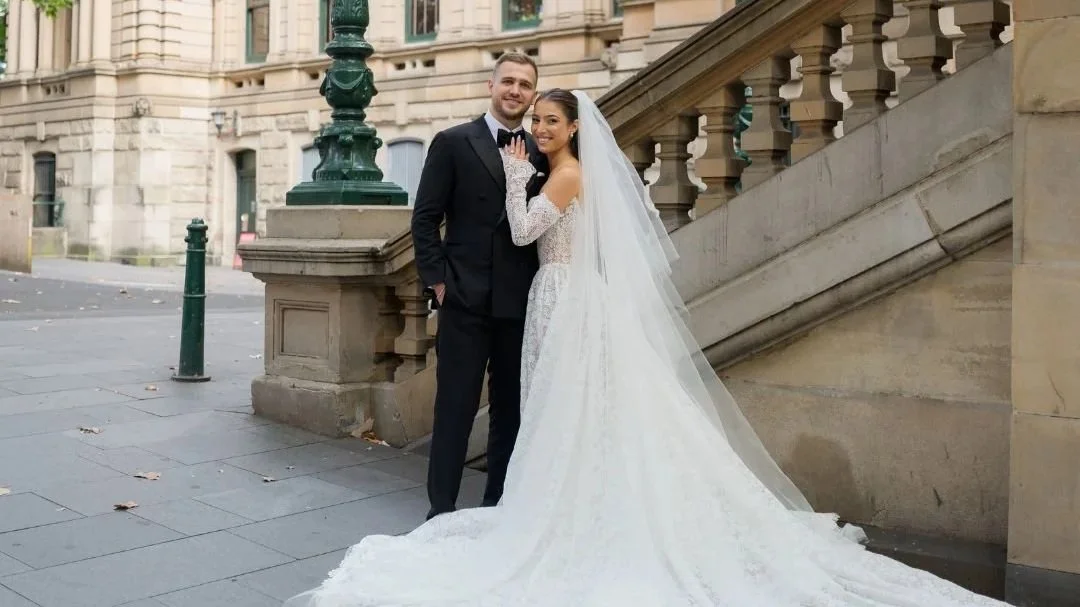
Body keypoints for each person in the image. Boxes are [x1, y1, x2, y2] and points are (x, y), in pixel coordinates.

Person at [283, 90, 1009, 606]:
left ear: (571, 129)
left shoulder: (561, 172)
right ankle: (519, 501)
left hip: (563, 299)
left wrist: (511, 180)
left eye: (548, 117)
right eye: (533, 115)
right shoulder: (539, 161)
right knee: (551, 408)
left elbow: (530, 230)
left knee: (560, 408)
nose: (536, 124)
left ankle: (561, 513)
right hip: (547, 299)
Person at [409, 52, 549, 521]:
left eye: (525, 85)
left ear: (532, 95)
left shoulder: (541, 149)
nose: (515, 90)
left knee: (510, 411)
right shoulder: (452, 142)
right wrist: (438, 283)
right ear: (491, 85)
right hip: (464, 300)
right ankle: (440, 510)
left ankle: (497, 505)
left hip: (519, 302)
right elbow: (426, 219)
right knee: (455, 408)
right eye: (507, 81)